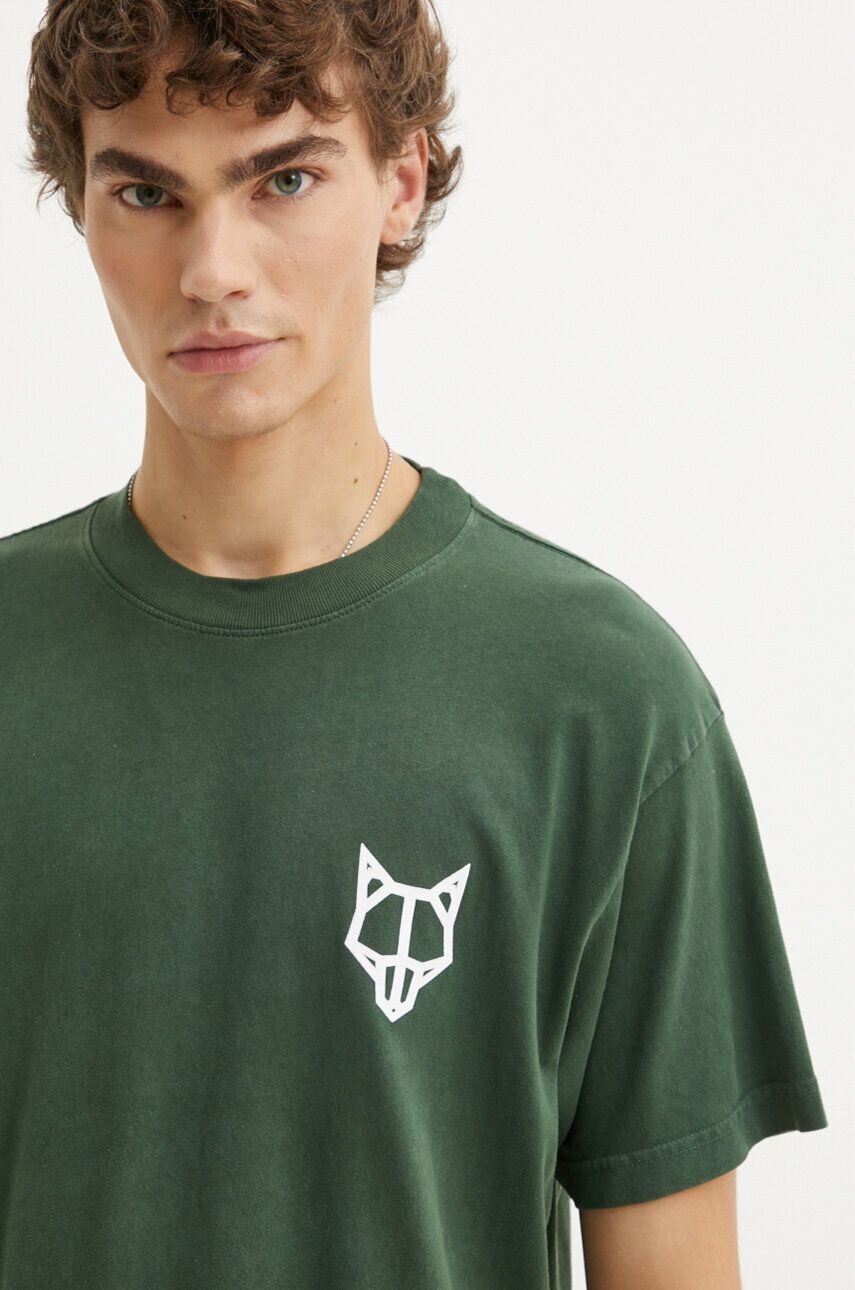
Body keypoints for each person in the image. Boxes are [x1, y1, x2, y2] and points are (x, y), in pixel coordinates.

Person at [2, 3, 827, 1288]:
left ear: (401, 180)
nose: (213, 269)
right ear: (83, 206)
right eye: (148, 193)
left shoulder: (604, 701)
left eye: (283, 179)